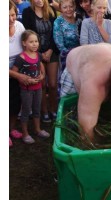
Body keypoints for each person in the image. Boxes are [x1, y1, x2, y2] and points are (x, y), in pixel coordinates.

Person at [22, 0, 60, 123]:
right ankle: (44, 112)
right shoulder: (27, 12)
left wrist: (50, 50)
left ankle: (53, 109)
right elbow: (29, 35)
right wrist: (39, 53)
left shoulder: (52, 10)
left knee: (53, 84)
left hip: (51, 51)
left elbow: (56, 32)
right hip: (36, 53)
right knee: (42, 84)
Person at [12, 30, 50, 144]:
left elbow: (40, 65)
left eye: (36, 41)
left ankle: (38, 129)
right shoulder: (21, 58)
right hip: (26, 90)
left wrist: (42, 75)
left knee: (37, 109)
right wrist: (23, 78)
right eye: (31, 42)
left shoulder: (38, 55)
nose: (35, 44)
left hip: (38, 88)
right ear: (24, 43)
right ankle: (25, 133)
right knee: (26, 111)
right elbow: (15, 72)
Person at [9, 0, 27, 147]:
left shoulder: (19, 26)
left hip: (19, 68)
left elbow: (26, 47)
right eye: (6, 16)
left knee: (16, 102)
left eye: (13, 15)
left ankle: (11, 129)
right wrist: (18, 75)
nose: (10, 19)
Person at [53, 0, 81, 91]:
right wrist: (71, 56)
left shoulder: (79, 19)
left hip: (81, 55)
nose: (68, 9)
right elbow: (59, 44)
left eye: (70, 6)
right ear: (60, 8)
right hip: (66, 57)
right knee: (68, 86)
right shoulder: (58, 22)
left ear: (74, 7)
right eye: (65, 7)